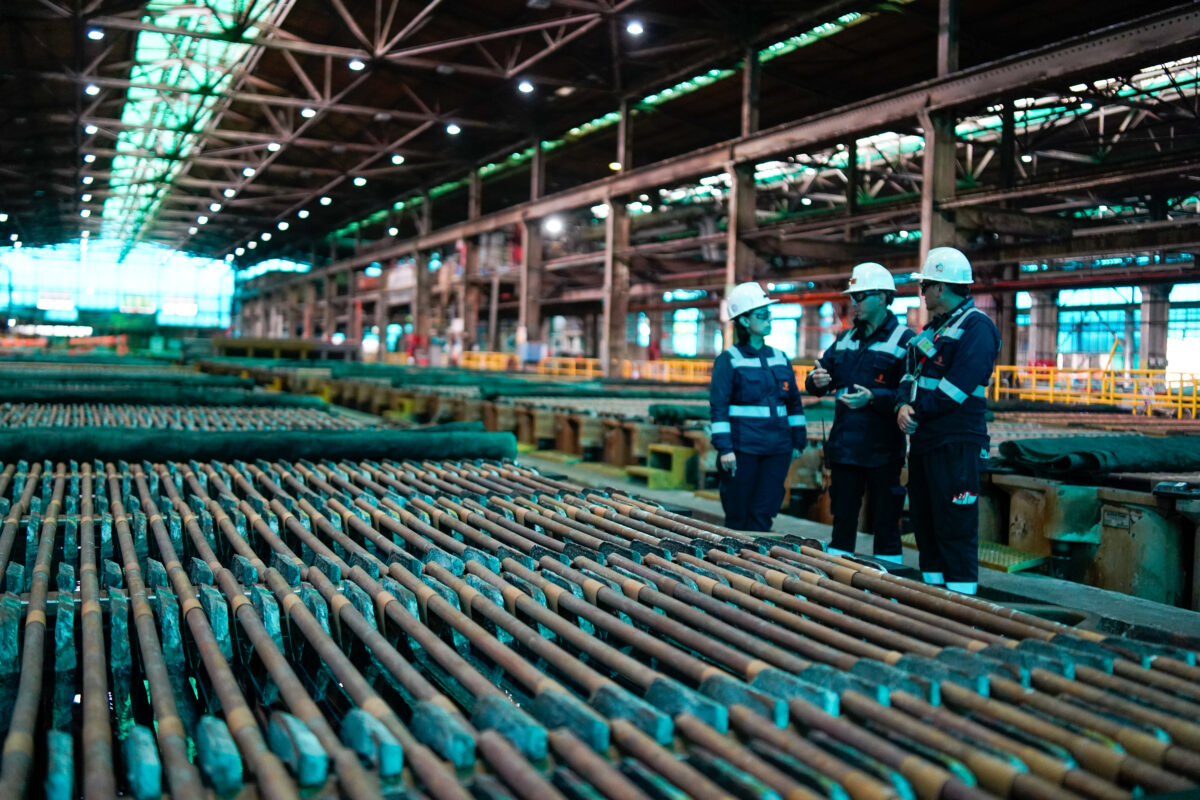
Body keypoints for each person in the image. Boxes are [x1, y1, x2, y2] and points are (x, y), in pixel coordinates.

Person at [896, 247, 1000, 595]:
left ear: (940, 288)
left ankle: (960, 607)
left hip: (956, 443)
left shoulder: (977, 328)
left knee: (954, 527)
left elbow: (957, 388)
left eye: (924, 286)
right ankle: (933, 601)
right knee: (926, 526)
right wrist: (901, 406)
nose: (921, 293)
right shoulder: (933, 330)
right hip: (926, 441)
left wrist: (917, 411)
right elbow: (909, 374)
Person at [805, 263, 913, 563]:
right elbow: (819, 374)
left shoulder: (904, 341)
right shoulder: (844, 340)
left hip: (883, 450)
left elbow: (909, 394)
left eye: (861, 296)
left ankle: (889, 590)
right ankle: (839, 591)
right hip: (845, 449)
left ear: (882, 297)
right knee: (843, 522)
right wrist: (816, 382)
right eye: (853, 297)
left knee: (887, 522)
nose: (855, 303)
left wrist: (874, 399)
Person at [709, 282, 807, 531]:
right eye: (761, 315)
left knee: (765, 511)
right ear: (743, 321)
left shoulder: (780, 357)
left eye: (769, 314)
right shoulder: (729, 360)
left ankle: (759, 564)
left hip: (777, 450)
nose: (768, 320)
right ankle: (735, 565)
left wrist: (798, 441)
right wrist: (725, 449)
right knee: (738, 512)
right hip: (743, 450)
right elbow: (719, 409)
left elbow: (794, 403)